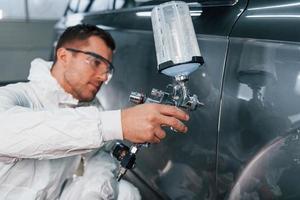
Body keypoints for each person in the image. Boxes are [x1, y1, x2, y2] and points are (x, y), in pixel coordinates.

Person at [0, 24, 189, 199]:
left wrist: (94, 193)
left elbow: (100, 157)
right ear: (64, 56)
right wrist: (117, 123)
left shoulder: (89, 108)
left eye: (108, 69)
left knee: (125, 193)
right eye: (95, 62)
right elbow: (7, 133)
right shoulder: (16, 96)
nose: (103, 76)